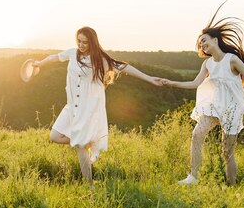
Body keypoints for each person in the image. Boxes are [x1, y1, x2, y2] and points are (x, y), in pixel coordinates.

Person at [160, 4, 244, 186]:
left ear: (216, 40)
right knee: (197, 134)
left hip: (233, 107)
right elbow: (195, 83)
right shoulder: (207, 64)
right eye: (200, 43)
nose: (202, 44)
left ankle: (231, 187)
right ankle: (193, 177)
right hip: (214, 106)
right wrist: (171, 82)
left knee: (227, 151)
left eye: (204, 40)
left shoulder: (232, 60)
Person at [31, 26, 163, 185]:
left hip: (89, 108)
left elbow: (124, 67)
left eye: (85, 42)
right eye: (79, 41)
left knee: (79, 146)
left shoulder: (101, 59)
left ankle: (90, 186)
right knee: (54, 136)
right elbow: (54, 57)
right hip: (73, 105)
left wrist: (149, 78)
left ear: (92, 43)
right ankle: (87, 139)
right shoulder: (72, 53)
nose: (81, 45)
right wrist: (39, 63)